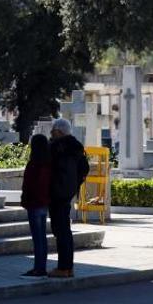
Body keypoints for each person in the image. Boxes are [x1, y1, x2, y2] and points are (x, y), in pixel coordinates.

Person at [47, 118, 89, 278]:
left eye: (53, 131)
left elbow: (49, 170)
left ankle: (63, 268)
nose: (51, 133)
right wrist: (74, 186)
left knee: (60, 231)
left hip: (56, 194)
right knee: (65, 230)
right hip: (68, 194)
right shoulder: (76, 147)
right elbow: (84, 169)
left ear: (59, 131)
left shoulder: (56, 147)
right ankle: (68, 267)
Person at [20, 134, 52, 279]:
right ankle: (41, 266)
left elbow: (29, 185)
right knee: (42, 237)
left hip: (34, 203)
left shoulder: (34, 164)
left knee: (37, 238)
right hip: (44, 203)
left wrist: (25, 200)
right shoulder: (48, 163)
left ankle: (38, 269)